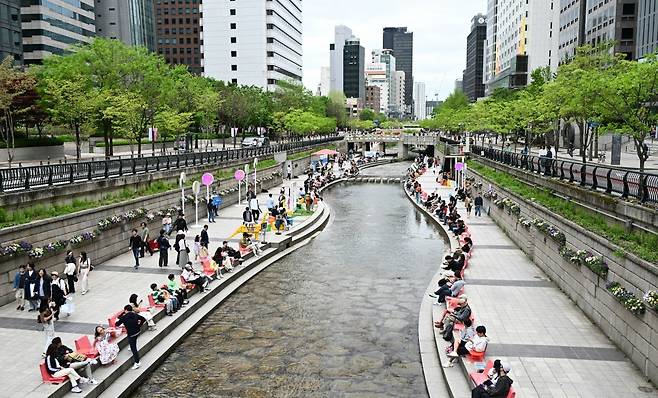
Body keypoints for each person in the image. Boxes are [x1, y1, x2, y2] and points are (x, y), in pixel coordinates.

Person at [115, 305, 147, 369]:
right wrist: (139, 325)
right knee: (133, 340)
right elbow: (143, 319)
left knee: (134, 348)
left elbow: (117, 324)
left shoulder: (124, 317)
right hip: (137, 331)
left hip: (131, 334)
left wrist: (122, 314)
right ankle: (131, 345)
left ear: (125, 310)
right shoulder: (135, 314)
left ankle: (137, 362)